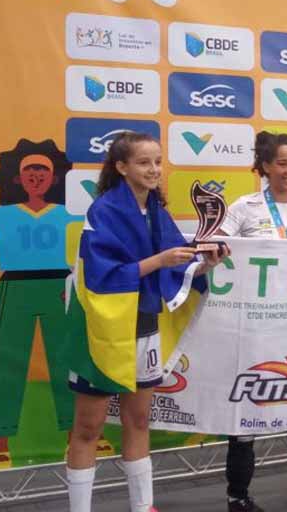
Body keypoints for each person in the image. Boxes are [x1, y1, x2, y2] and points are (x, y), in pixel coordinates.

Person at [64, 132, 223, 512]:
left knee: (139, 422)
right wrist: (159, 261)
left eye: (157, 161)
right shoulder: (102, 212)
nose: (154, 169)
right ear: (121, 168)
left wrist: (204, 263)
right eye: (143, 162)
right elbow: (99, 276)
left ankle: (143, 506)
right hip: (101, 332)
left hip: (145, 326)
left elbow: (176, 264)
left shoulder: (155, 210)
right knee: (88, 429)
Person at [218, 131, 287, 512]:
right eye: (283, 163)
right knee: (246, 415)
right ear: (265, 166)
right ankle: (238, 496)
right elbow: (218, 254)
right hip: (253, 327)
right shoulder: (243, 208)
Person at [0, 139, 76, 465]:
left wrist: (75, 286)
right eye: (29, 170)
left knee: (69, 363)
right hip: (14, 289)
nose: (36, 175)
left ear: (54, 177)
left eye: (42, 169)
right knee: (2, 364)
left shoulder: (69, 214)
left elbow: (85, 256)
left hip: (59, 288)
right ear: (17, 178)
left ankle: (81, 436)